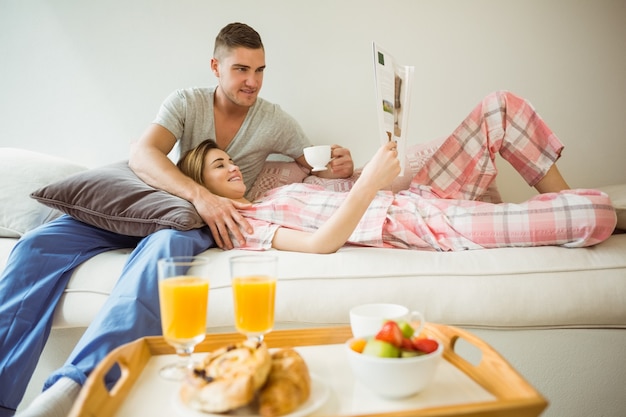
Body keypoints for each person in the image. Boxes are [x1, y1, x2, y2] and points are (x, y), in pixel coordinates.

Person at [0, 22, 353, 417]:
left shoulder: (274, 120)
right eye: (241, 69)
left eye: (260, 70)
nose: (252, 82)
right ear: (215, 67)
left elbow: (308, 164)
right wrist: (200, 195)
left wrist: (336, 167)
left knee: (164, 251)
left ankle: (79, 386)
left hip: (189, 223)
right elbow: (143, 154)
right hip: (160, 203)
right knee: (36, 245)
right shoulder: (186, 102)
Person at [176, 91, 617, 253]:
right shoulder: (245, 225)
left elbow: (326, 175)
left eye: (230, 159)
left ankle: (560, 199)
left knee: (501, 107)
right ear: (200, 182)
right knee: (598, 215)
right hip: (419, 224)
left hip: (417, 196)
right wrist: (369, 184)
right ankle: (567, 209)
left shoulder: (271, 191)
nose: (233, 165)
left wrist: (348, 169)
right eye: (220, 165)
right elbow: (317, 243)